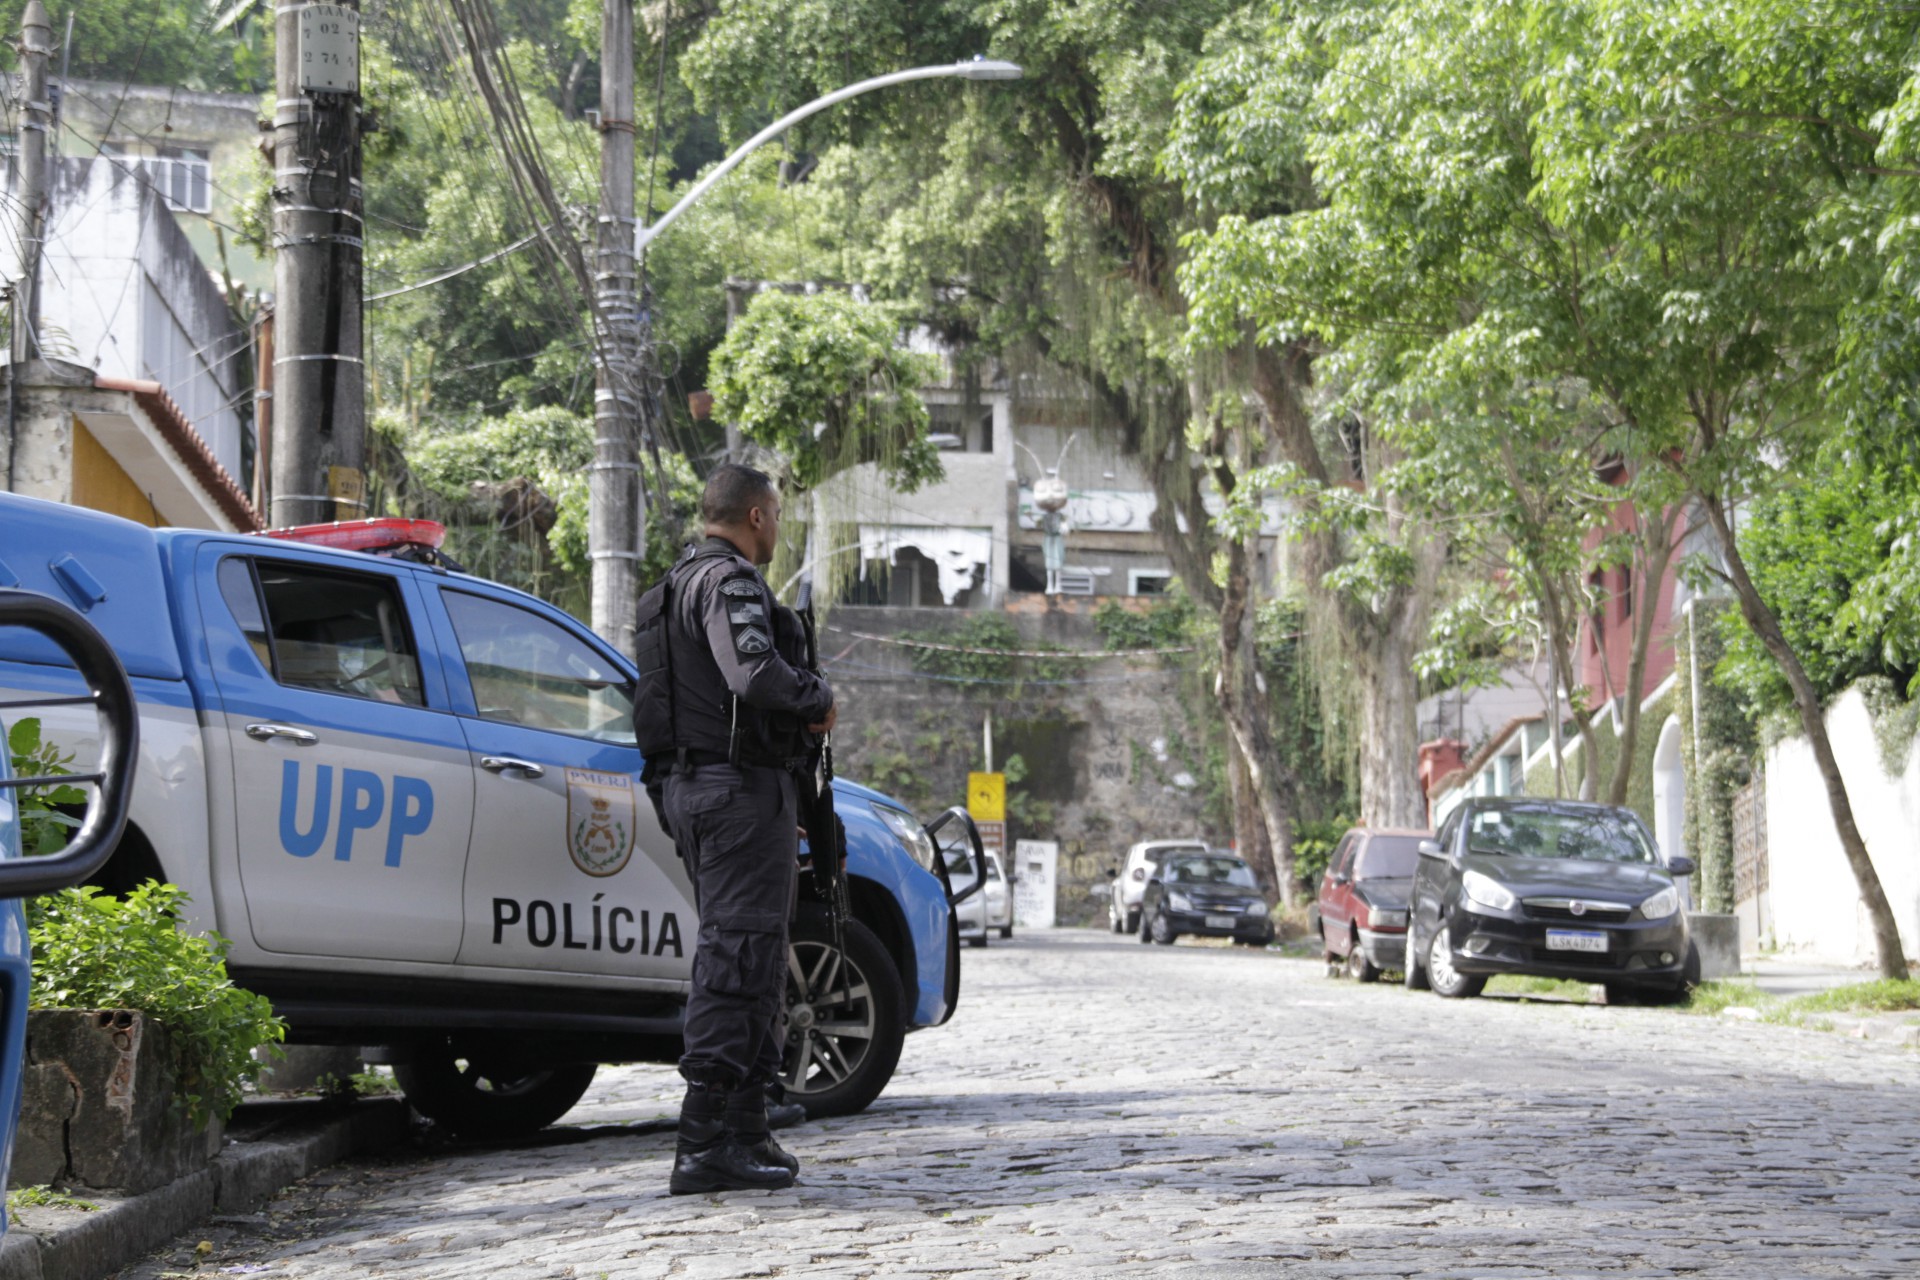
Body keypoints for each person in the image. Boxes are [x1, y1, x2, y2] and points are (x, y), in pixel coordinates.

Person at [650, 463, 836, 1195]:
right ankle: (703, 1142)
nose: (779, 528)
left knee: (753, 957)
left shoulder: (672, 585)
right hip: (735, 794)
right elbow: (754, 674)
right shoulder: (728, 581)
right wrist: (816, 696)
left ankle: (746, 1128)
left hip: (700, 790)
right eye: (777, 515)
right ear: (756, 516)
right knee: (737, 959)